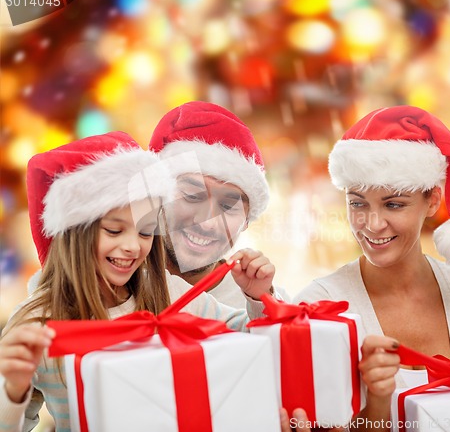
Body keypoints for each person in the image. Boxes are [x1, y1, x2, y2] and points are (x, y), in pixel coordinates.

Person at [0, 132, 272, 432]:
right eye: (114, 231)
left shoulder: (170, 292)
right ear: (74, 235)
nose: (133, 246)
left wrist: (257, 298)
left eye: (145, 232)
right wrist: (13, 392)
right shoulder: (36, 323)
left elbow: (251, 341)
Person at [291, 105, 450, 431]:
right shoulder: (319, 306)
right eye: (357, 202)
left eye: (393, 204)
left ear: (432, 200)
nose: (372, 224)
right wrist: (375, 402)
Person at [149, 100, 289, 307]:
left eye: (228, 207)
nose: (207, 223)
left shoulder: (268, 304)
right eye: (192, 196)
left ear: (247, 220)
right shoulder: (112, 288)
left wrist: (265, 304)